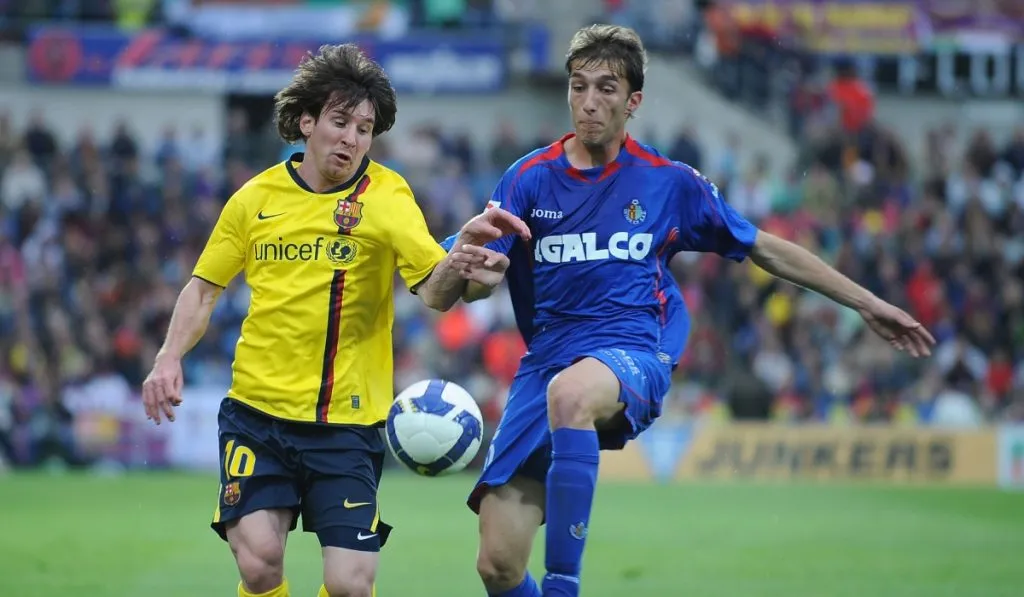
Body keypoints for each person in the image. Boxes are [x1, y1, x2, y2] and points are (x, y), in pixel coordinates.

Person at [443, 24, 935, 597]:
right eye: (579, 86)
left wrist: (868, 302)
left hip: (631, 352)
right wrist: (477, 279)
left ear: (634, 102)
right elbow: (477, 282)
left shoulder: (668, 183)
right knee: (497, 565)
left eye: (607, 88)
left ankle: (563, 589)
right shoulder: (527, 178)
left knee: (571, 396)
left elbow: (763, 246)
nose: (590, 102)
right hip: (545, 363)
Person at [140, 44, 528, 597]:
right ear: (307, 122)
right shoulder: (255, 199)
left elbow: (435, 289)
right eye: (340, 122)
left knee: (350, 586)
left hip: (346, 425)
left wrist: (464, 264)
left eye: (365, 129)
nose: (352, 138)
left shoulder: (389, 197)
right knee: (259, 563)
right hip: (257, 414)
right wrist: (168, 357)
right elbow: (203, 289)